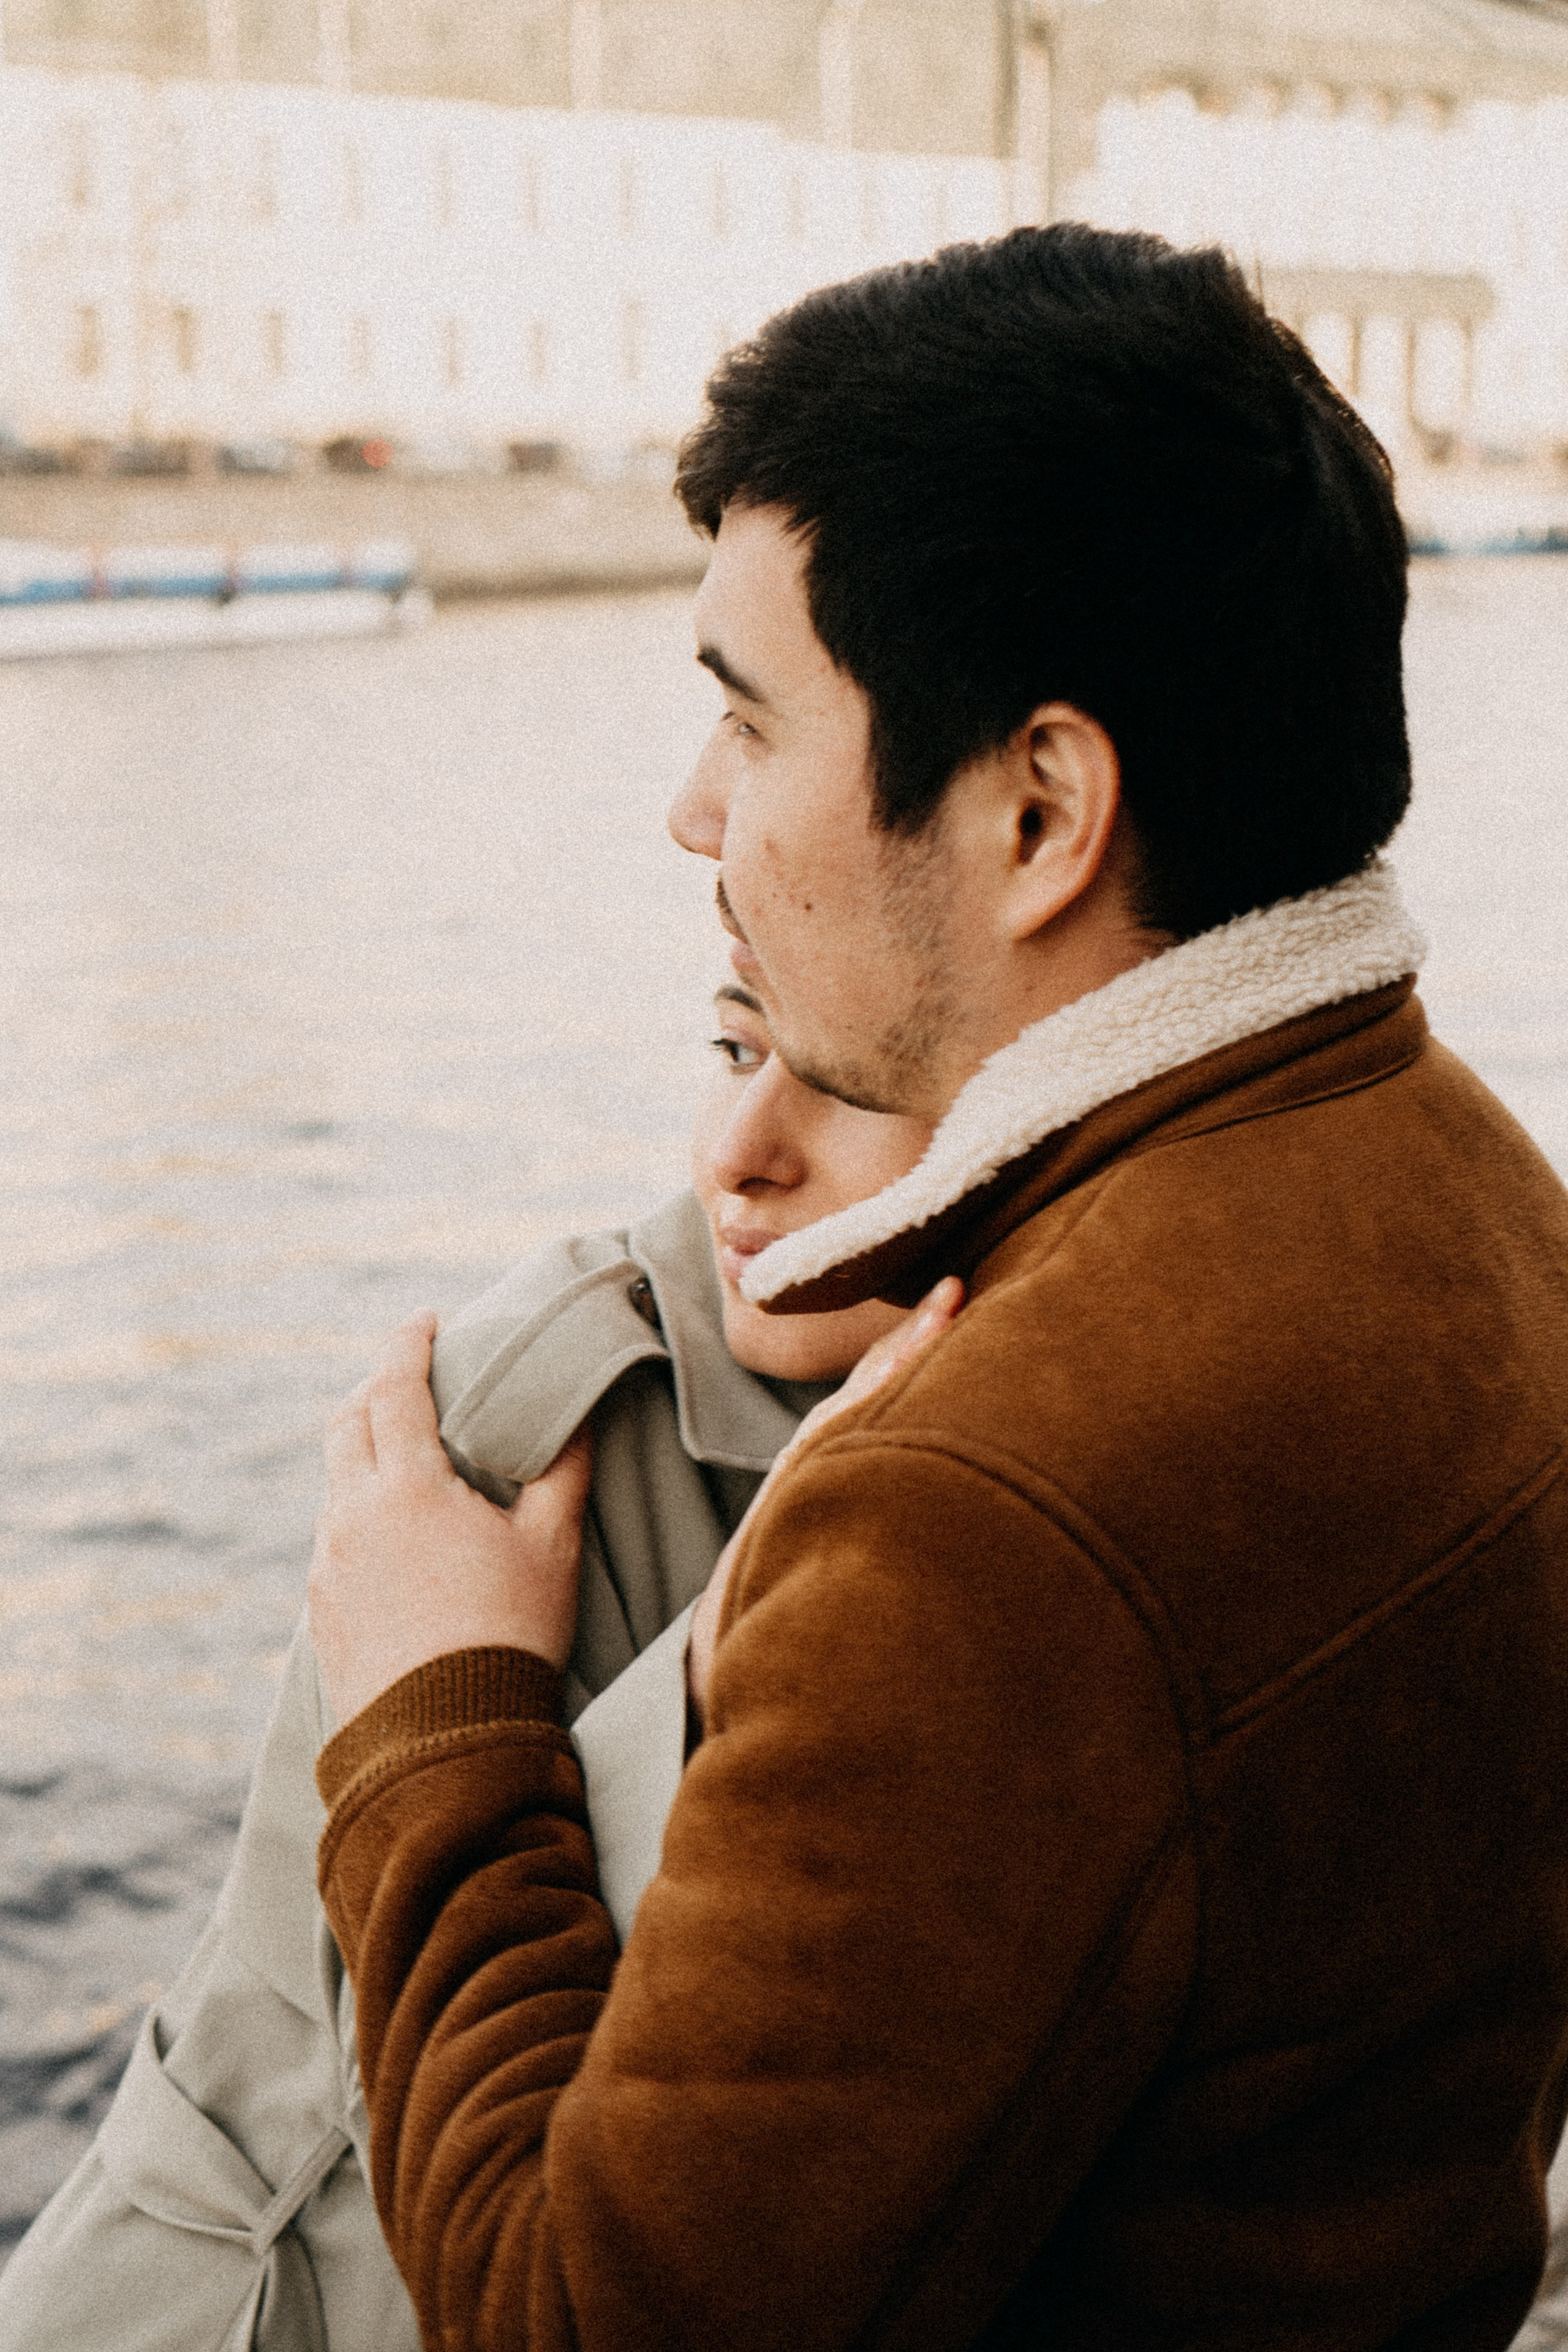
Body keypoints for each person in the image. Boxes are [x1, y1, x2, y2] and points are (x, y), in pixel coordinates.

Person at [307, 223, 1568, 2351]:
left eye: (751, 719)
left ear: (1042, 808)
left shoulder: (993, 1516)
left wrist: (429, 1729)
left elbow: (583, 2325)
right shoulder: (1474, 1189)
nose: (691, 810)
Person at [0, 987, 936, 2351]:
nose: (737, 1149)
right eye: (730, 1045)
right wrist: (446, 1713)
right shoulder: (549, 1423)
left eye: (849, 1081)